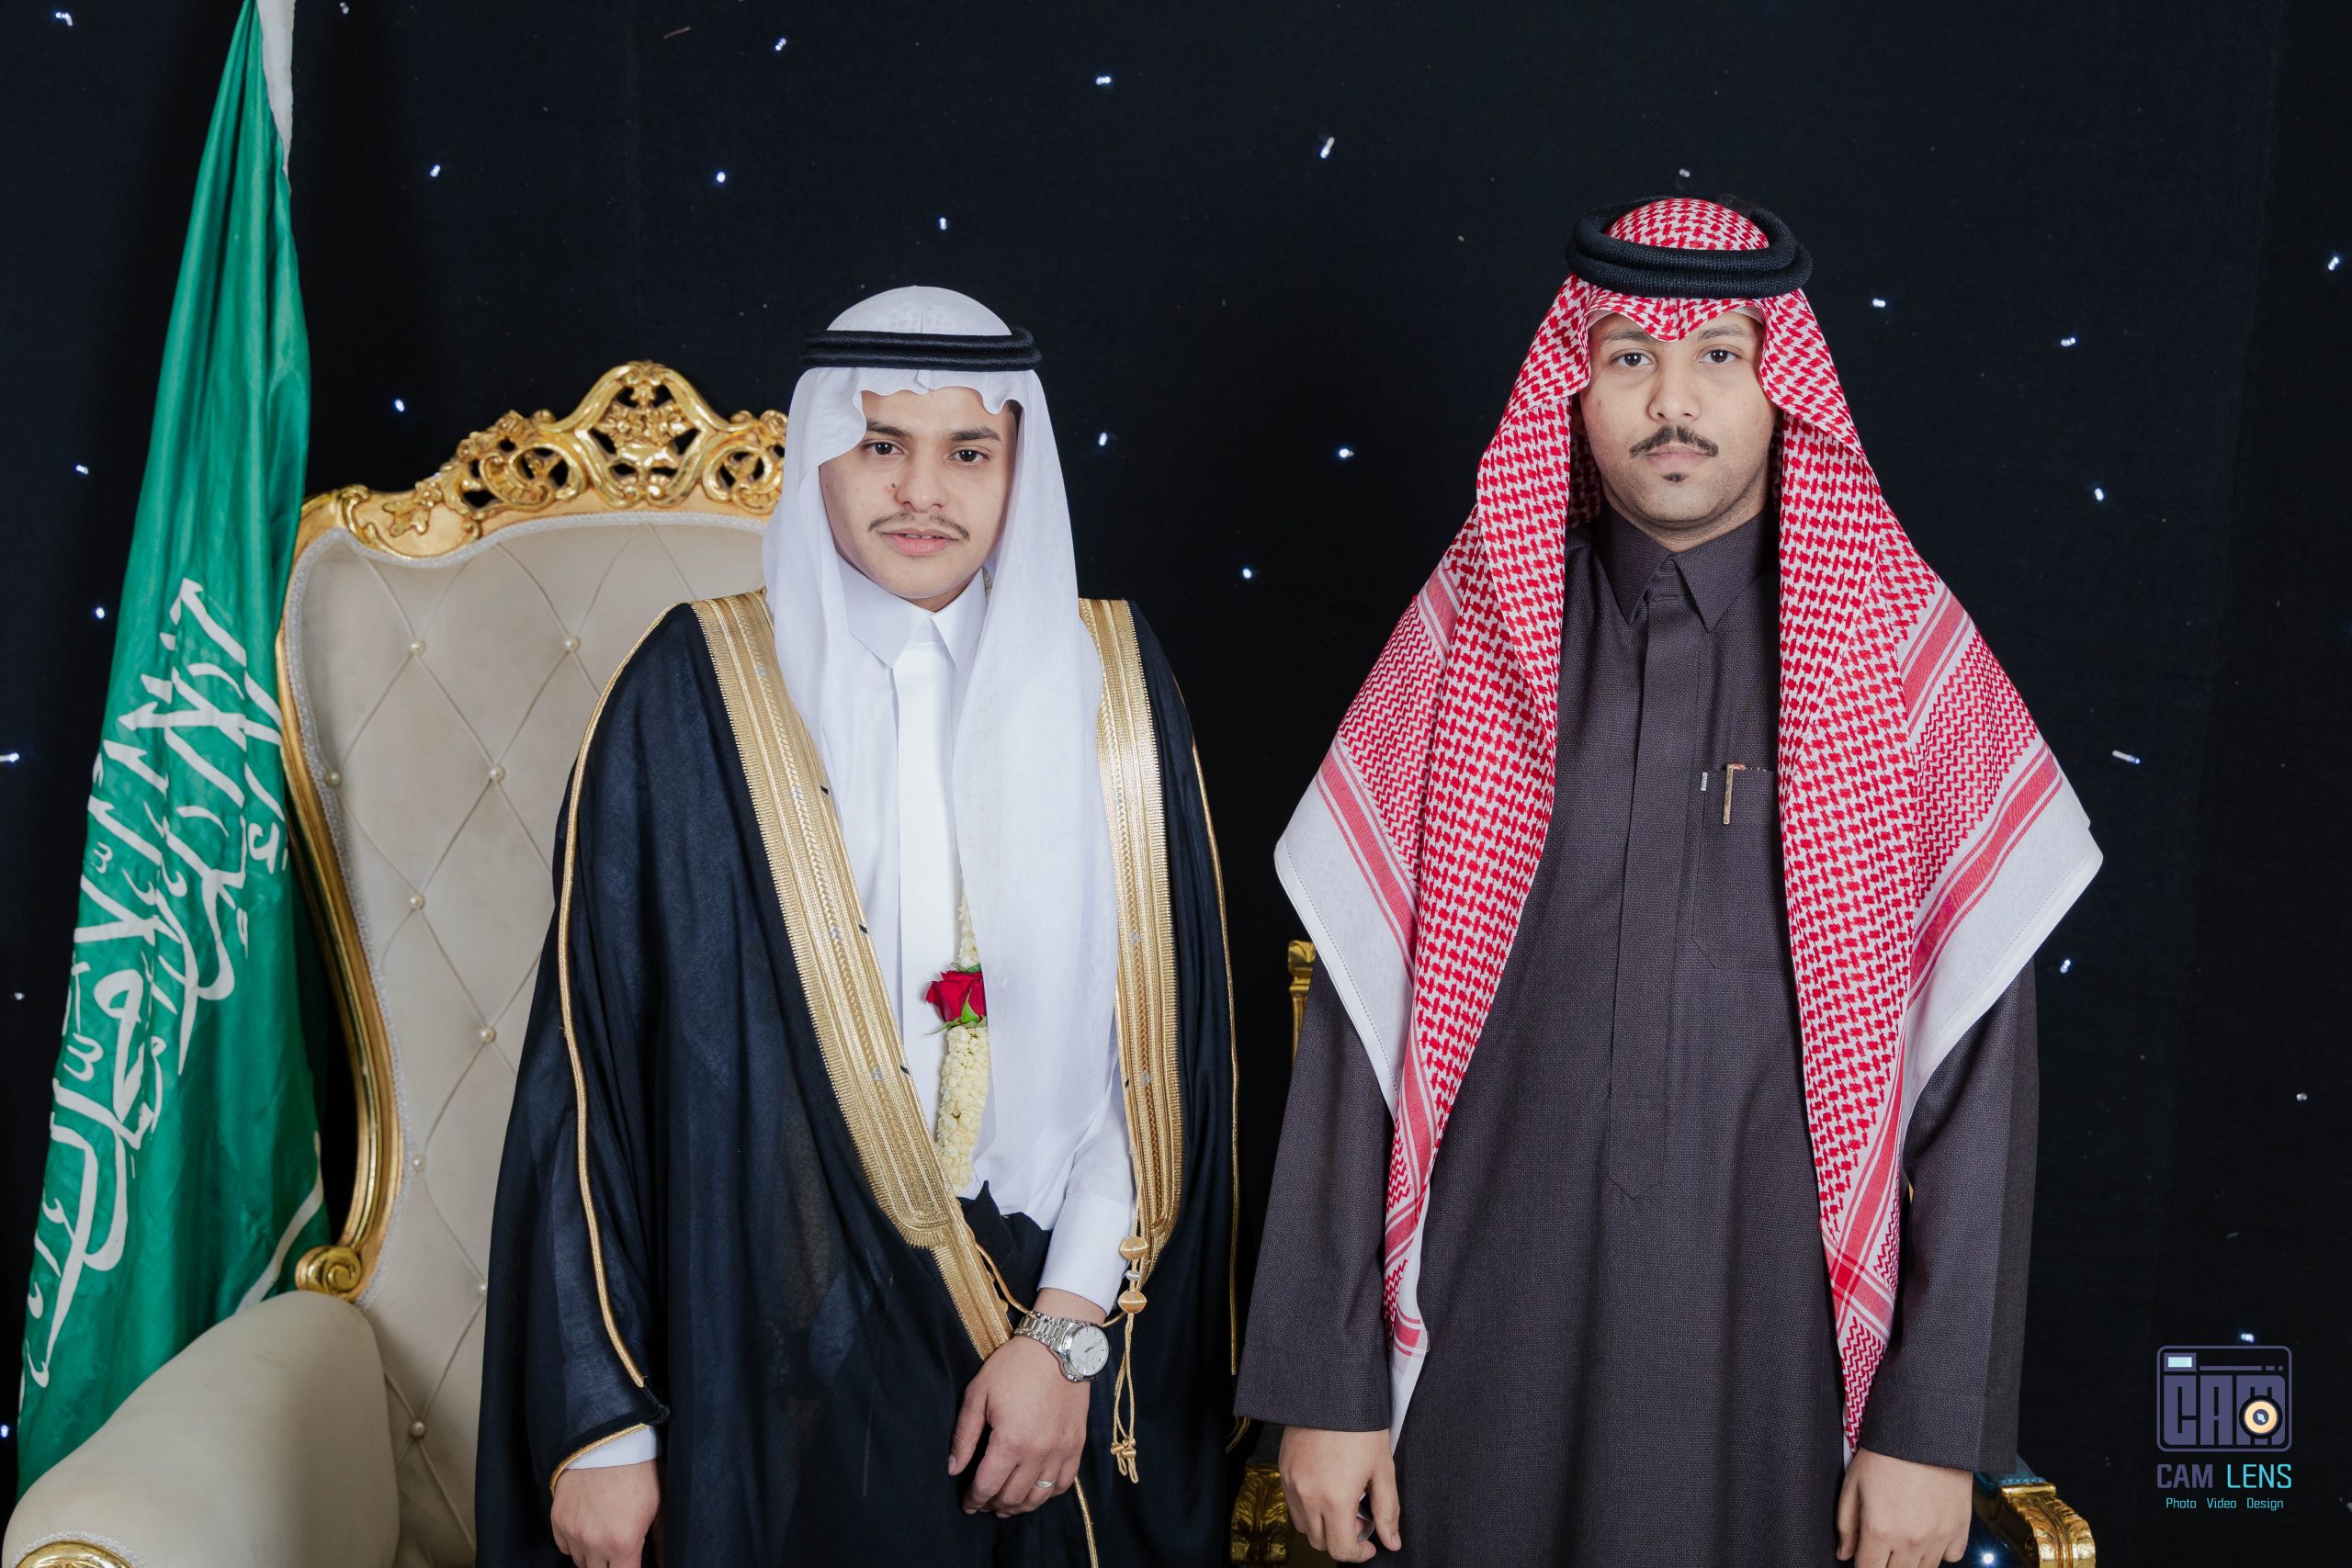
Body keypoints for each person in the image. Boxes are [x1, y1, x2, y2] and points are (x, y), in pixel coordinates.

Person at [1238, 197, 2100, 1567]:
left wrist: (1932, 1428)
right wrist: (1326, 1386)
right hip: (1485, 1344)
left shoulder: (1900, 662)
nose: (1673, 402)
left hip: (1776, 1368)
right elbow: (1359, 1033)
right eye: (1630, 356)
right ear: (1574, 388)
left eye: (1721, 358)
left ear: (1783, 389)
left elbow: (1979, 1078)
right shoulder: (1469, 639)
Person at [477, 287, 1240, 1565]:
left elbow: (1154, 1070)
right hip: (768, 1338)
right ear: (821, 451)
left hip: (1045, 1334)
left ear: (1020, 466)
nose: (921, 492)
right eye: (882, 443)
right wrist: (604, 1428)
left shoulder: (1110, 688)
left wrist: (1064, 1340)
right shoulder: (692, 692)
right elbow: (590, 1068)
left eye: (968, 451)